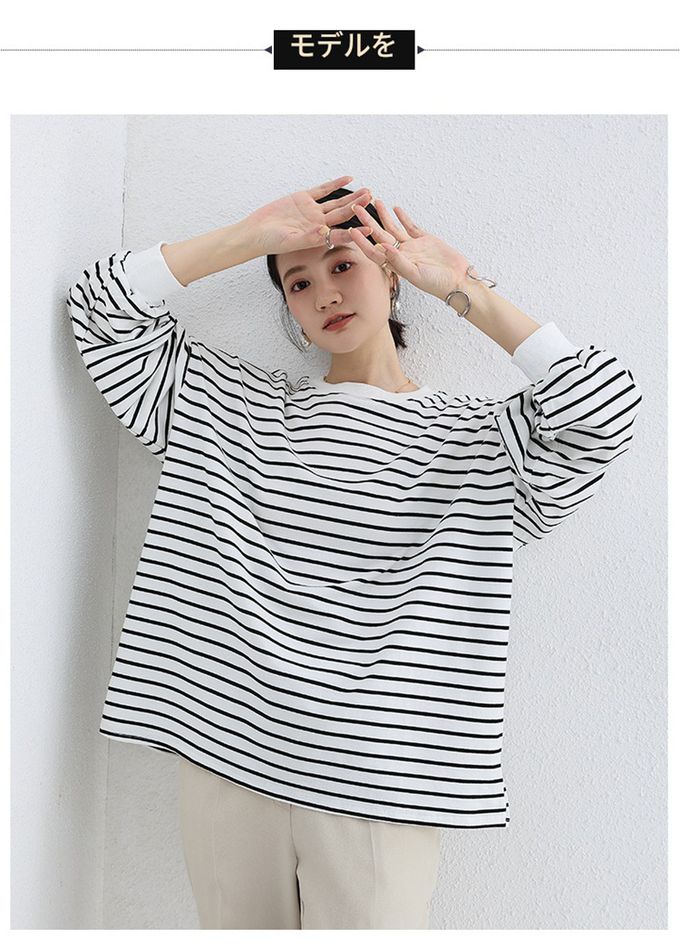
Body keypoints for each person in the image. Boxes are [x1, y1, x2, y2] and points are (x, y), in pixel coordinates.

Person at [66, 175, 642, 930]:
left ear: (393, 276)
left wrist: (463, 288)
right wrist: (249, 238)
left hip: (384, 779)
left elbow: (605, 410)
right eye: (299, 282)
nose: (325, 293)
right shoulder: (230, 405)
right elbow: (100, 308)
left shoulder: (478, 443)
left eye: (344, 265)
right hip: (227, 752)